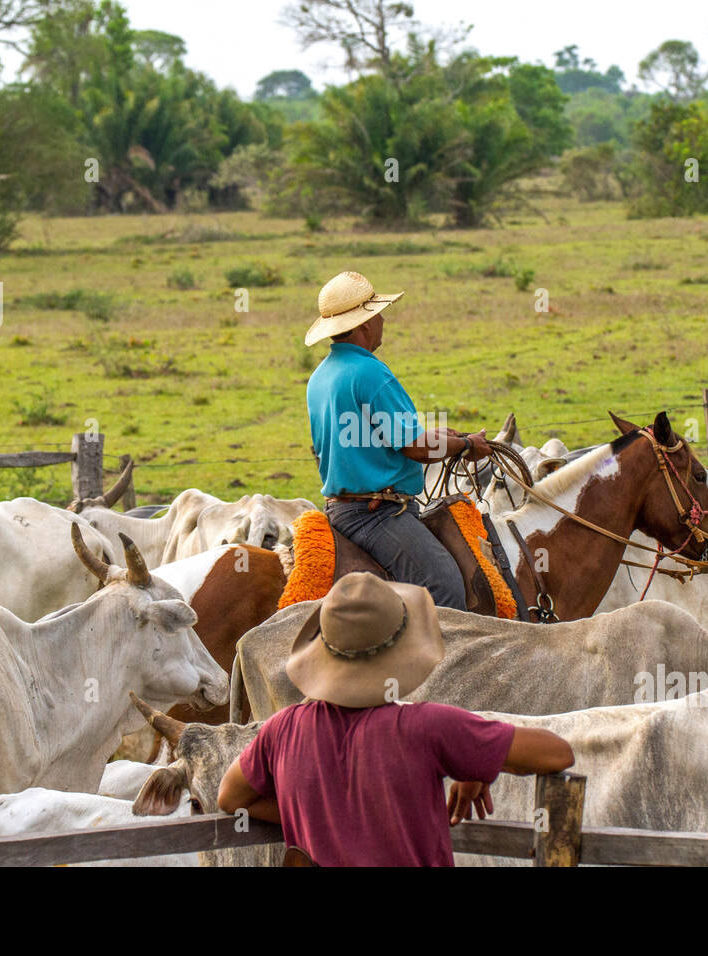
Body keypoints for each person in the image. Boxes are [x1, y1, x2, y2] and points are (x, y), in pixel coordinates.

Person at [217, 572, 575, 867]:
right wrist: (478, 761)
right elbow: (558, 753)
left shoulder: (282, 730)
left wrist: (322, 820)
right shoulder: (428, 726)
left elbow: (231, 798)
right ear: (401, 651)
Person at [304, 271, 490, 611]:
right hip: (376, 515)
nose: (383, 320)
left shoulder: (320, 377)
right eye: (377, 314)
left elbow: (369, 437)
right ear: (364, 325)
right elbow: (414, 447)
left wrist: (444, 436)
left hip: (340, 509)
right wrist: (466, 447)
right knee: (445, 585)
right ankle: (446, 666)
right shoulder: (371, 372)